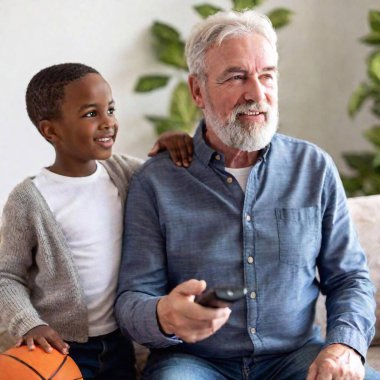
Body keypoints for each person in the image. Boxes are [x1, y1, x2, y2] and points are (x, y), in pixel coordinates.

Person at [115, 10, 379, 380]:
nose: (257, 94)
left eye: (267, 75)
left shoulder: (313, 167)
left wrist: (345, 347)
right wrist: (163, 314)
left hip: (296, 357)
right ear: (197, 91)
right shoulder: (156, 182)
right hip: (195, 363)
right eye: (236, 77)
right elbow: (132, 299)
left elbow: (350, 278)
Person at [0, 62, 192, 379]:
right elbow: (7, 276)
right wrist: (30, 322)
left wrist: (173, 141)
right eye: (91, 114)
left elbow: (168, 179)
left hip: (121, 343)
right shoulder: (29, 199)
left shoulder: (126, 174)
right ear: (51, 130)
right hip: (59, 347)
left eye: (111, 109)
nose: (108, 123)